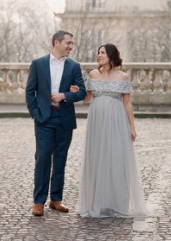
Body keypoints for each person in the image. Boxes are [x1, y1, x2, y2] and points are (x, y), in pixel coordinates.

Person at [75, 43, 149, 218]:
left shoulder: (123, 77)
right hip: (97, 120)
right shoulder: (93, 74)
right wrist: (78, 91)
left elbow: (127, 103)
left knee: (116, 157)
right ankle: (97, 203)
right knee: (97, 157)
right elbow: (88, 98)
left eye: (102, 52)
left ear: (111, 55)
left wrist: (132, 126)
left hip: (117, 120)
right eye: (98, 52)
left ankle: (117, 204)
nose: (99, 55)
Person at [25, 31, 87, 217]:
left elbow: (82, 92)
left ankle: (56, 200)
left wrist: (65, 96)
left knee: (60, 159)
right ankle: (38, 202)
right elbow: (30, 92)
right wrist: (36, 114)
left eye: (72, 44)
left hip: (64, 119)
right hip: (45, 118)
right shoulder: (38, 64)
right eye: (68, 43)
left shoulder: (74, 66)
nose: (70, 46)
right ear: (56, 43)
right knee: (43, 158)